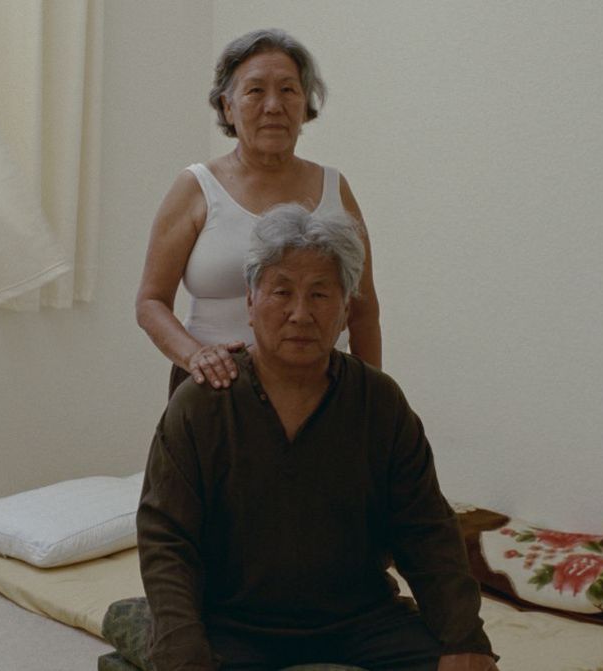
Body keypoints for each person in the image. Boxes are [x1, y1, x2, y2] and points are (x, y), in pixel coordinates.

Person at [137, 204, 498, 670]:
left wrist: (464, 636)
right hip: (233, 623)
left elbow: (426, 528)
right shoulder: (203, 403)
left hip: (362, 621)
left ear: (346, 309)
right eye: (282, 291)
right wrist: (181, 651)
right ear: (250, 302)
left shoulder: (378, 402)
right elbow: (166, 538)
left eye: (321, 294)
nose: (300, 313)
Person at [136, 29, 381, 396]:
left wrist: (372, 399)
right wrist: (196, 356)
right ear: (227, 106)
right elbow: (150, 302)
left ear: (305, 105)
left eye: (288, 90)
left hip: (319, 394)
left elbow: (363, 310)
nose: (273, 106)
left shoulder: (335, 188)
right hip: (214, 391)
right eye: (255, 91)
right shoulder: (196, 187)